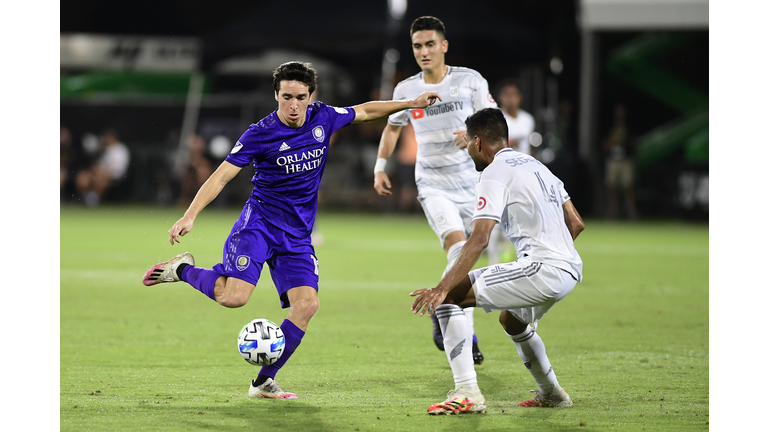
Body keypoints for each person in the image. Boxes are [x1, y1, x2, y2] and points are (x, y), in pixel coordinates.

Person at [142, 61, 441, 400]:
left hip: (297, 236)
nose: (294, 105)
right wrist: (190, 215)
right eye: (287, 97)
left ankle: (263, 382)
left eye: (300, 97)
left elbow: (365, 111)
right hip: (259, 225)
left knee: (307, 305)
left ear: (310, 95)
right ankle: (181, 269)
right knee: (234, 297)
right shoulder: (260, 132)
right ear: (276, 95)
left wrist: (409, 103)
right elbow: (222, 175)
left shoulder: (323, 117)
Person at [410, 108, 584, 415]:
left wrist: (441, 287)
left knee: (449, 298)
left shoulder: (493, 172)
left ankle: (467, 392)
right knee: (512, 320)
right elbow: (577, 223)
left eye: (468, 145)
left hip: (543, 268)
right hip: (569, 268)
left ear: (478, 142)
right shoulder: (537, 166)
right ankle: (551, 393)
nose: (468, 154)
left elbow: (479, 239)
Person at [373, 16, 496, 364]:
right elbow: (393, 129)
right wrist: (380, 166)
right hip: (433, 184)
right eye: (417, 46)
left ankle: (441, 308)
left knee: (470, 257)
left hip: (472, 183)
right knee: (458, 253)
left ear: (444, 46)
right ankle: (466, 337)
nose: (424, 51)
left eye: (430, 44)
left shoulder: (469, 81)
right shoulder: (405, 90)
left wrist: (473, 136)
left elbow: (493, 119)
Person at [487, 79, 537, 265]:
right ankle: (493, 264)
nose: (510, 99)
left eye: (513, 95)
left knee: (521, 221)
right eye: (506, 95)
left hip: (522, 177)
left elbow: (528, 148)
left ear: (520, 98)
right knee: (494, 222)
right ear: (500, 97)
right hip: (500, 176)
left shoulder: (527, 120)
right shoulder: (495, 117)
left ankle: (519, 263)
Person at [75, 128, 130, 207]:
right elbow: (99, 164)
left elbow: (119, 168)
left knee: (100, 178)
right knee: (83, 177)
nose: (105, 139)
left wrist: (103, 171)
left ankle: (93, 201)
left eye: (107, 137)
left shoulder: (120, 149)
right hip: (101, 173)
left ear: (112, 137)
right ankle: (86, 198)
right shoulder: (105, 149)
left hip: (115, 176)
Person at [603, 103, 638, 220]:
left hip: (625, 160)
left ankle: (632, 212)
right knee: (612, 187)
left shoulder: (629, 126)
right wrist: (612, 143)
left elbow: (634, 143)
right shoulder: (610, 126)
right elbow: (604, 143)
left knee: (628, 187)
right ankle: (612, 212)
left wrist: (624, 143)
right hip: (613, 160)